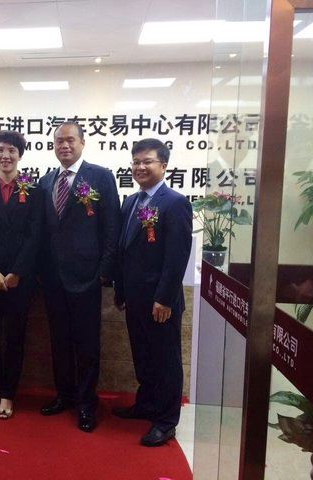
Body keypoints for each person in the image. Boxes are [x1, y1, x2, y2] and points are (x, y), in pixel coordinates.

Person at [39, 122, 121, 432]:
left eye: (70, 140)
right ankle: (65, 394)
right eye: (59, 141)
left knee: (87, 344)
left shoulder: (100, 176)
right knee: (59, 341)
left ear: (82, 143)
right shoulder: (46, 182)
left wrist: (105, 272)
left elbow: (111, 226)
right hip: (53, 278)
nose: (64, 145)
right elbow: (42, 232)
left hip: (88, 277)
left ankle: (87, 403)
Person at [113, 138, 192, 447]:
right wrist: (121, 290)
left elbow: (177, 256)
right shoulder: (131, 202)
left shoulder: (174, 203)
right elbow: (125, 250)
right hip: (135, 298)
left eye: (147, 161)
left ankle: (166, 421)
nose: (140, 167)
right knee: (143, 355)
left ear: (164, 166)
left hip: (160, 301)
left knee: (166, 361)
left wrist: (165, 298)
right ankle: (146, 404)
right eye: (136, 162)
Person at [0, 130, 43, 420]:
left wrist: (16, 272)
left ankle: (8, 394)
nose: (6, 155)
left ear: (20, 155)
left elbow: (35, 236)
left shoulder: (33, 190)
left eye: (12, 150)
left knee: (15, 338)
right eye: (1, 149)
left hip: (19, 280)